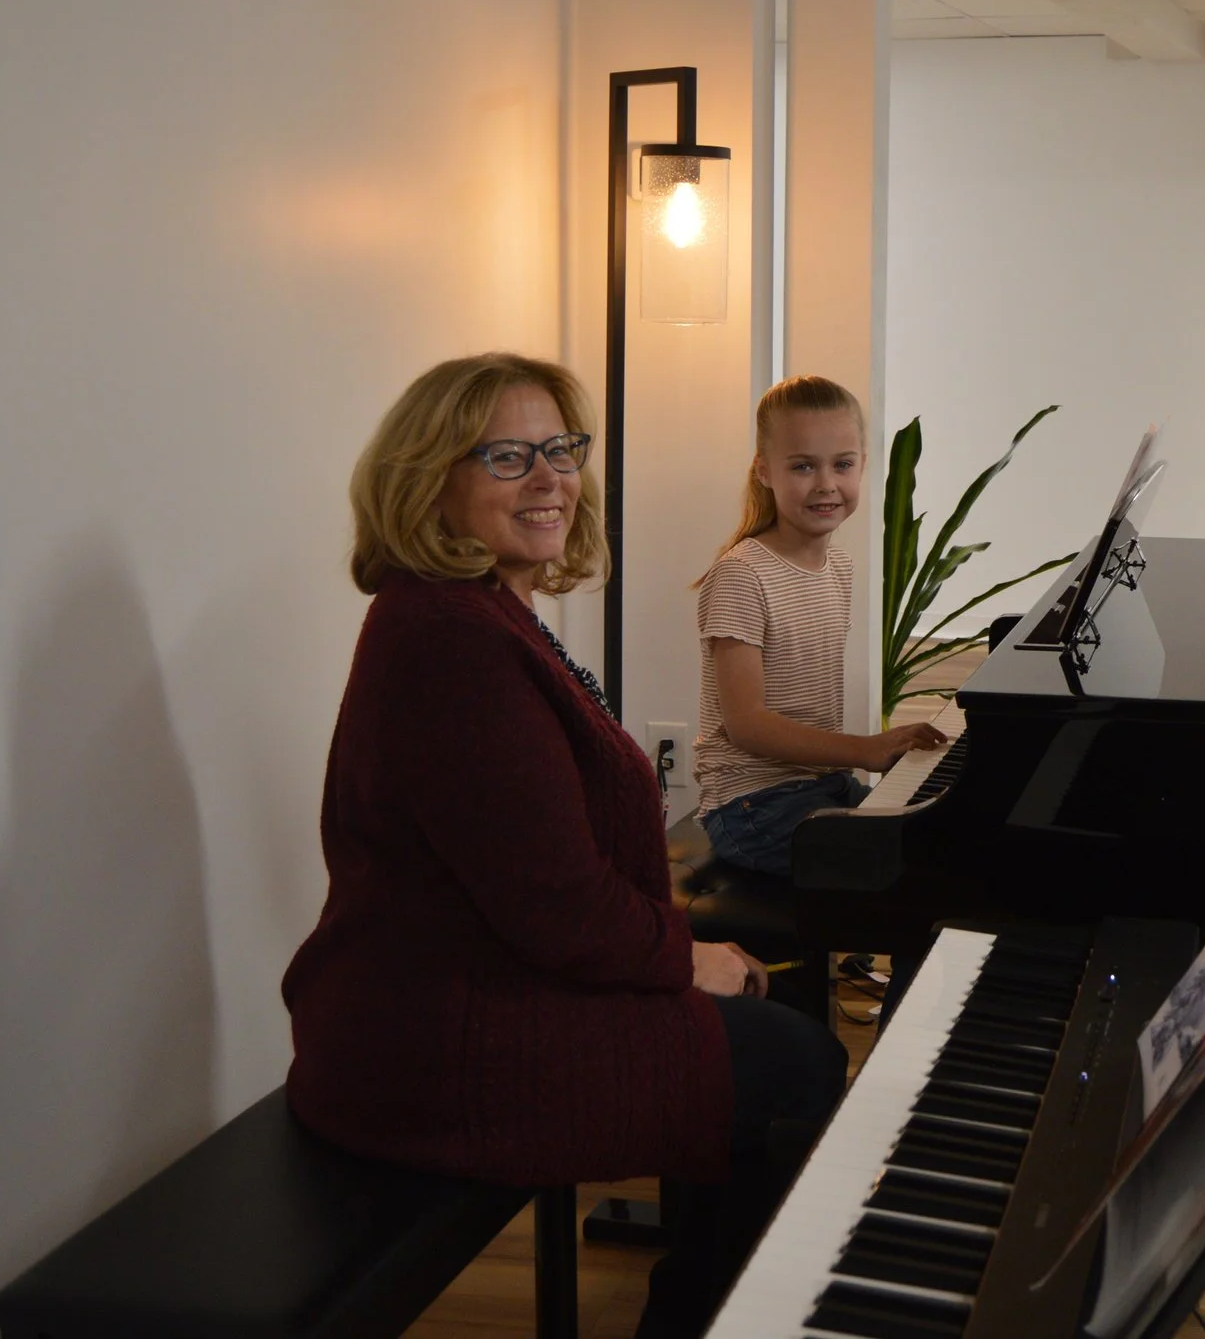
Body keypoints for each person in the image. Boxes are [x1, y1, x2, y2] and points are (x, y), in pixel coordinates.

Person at [282, 351, 847, 1338]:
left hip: (471, 997)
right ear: (432, 479)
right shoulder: (451, 644)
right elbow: (558, 908)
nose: (549, 478)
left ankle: (698, 1309)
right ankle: (702, 1318)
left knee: (781, 1047)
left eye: (560, 448)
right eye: (508, 456)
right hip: (439, 1048)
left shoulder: (480, 615)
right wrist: (686, 959)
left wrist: (680, 964)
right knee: (794, 1066)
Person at [693, 375, 949, 876]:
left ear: (862, 467)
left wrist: (871, 752)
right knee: (908, 868)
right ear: (764, 471)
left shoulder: (839, 567)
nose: (826, 483)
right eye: (803, 466)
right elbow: (747, 725)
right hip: (751, 806)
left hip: (820, 784)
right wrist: (867, 749)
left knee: (940, 835)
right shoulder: (742, 575)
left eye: (843, 464)